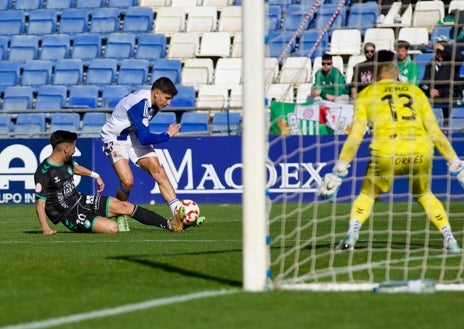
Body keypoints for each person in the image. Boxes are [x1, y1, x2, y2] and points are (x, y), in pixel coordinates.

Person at [318, 50, 464, 253]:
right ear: (396, 71)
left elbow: (356, 136)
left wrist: (339, 171)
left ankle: (352, 235)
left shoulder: (367, 94)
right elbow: (435, 131)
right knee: (424, 194)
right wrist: (456, 165)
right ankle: (449, 238)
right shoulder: (415, 91)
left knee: (368, 195)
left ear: (375, 72)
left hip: (387, 149)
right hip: (420, 148)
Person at [34, 130, 184, 235]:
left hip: (81, 200)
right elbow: (40, 205)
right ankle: (98, 219)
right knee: (112, 228)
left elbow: (75, 169)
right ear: (65, 149)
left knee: (125, 206)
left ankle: (170, 224)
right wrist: (46, 229)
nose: (75, 150)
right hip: (69, 214)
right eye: (73, 147)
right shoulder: (43, 172)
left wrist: (95, 175)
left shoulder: (67, 160)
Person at [100, 77, 202, 232]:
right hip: (115, 139)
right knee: (127, 182)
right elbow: (145, 137)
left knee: (159, 172)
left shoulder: (154, 103)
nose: (168, 103)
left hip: (133, 137)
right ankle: (120, 213)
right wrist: (167, 135)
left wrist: (146, 137)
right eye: (167, 98)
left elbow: (143, 132)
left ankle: (178, 215)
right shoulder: (140, 103)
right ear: (156, 93)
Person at [420, 39, 464, 122]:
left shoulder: (452, 62)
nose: (439, 54)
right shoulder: (430, 65)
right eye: (438, 52)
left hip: (451, 92)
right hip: (436, 93)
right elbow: (424, 83)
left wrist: (444, 48)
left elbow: (460, 58)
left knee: (448, 98)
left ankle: (448, 123)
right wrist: (430, 90)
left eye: (442, 52)